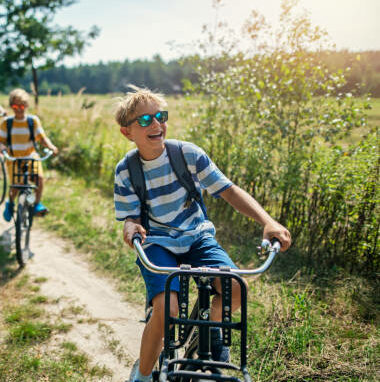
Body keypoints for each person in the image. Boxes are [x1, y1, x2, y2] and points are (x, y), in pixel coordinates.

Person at [113, 86, 291, 382]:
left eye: (160, 116)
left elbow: (229, 191)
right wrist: (130, 227)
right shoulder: (126, 170)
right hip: (158, 242)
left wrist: (267, 221)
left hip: (197, 236)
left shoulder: (187, 154)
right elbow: (130, 218)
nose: (156, 124)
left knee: (236, 289)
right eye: (144, 121)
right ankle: (142, 374)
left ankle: (205, 337)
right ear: (127, 132)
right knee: (167, 309)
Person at [0, 88, 58, 222]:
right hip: (14, 158)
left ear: (27, 105)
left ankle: (36, 204)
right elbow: (1, 141)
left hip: (31, 156)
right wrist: (2, 149)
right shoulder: (7, 123)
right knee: (16, 185)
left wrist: (51, 147)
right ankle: (10, 203)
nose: (19, 109)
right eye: (15, 106)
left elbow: (42, 138)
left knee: (39, 179)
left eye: (22, 105)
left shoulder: (33, 121)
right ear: (11, 106)